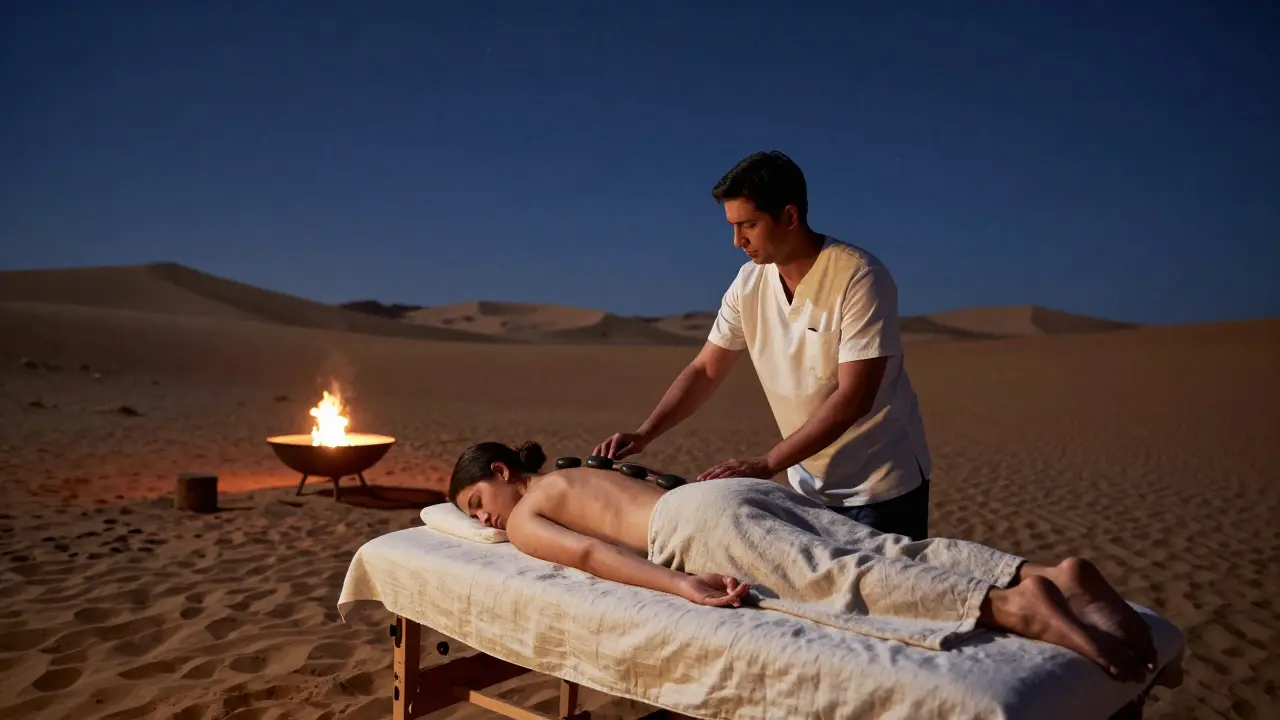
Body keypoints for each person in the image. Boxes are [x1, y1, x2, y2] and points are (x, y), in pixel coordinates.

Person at [449, 440, 1158, 683]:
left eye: (478, 501)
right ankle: (1040, 575)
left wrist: (679, 583)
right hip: (726, 492)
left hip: (692, 520)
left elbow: (591, 554)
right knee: (880, 546)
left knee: (840, 576)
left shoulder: (526, 517)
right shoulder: (571, 471)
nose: (484, 519)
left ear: (505, 471)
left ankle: (1011, 607)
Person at [595, 150, 933, 539]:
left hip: (881, 488)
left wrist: (768, 462)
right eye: (732, 227)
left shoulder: (859, 276)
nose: (737, 241)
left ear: (789, 217)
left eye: (749, 225)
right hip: (807, 486)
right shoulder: (748, 283)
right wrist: (645, 433)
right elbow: (706, 369)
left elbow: (853, 396)